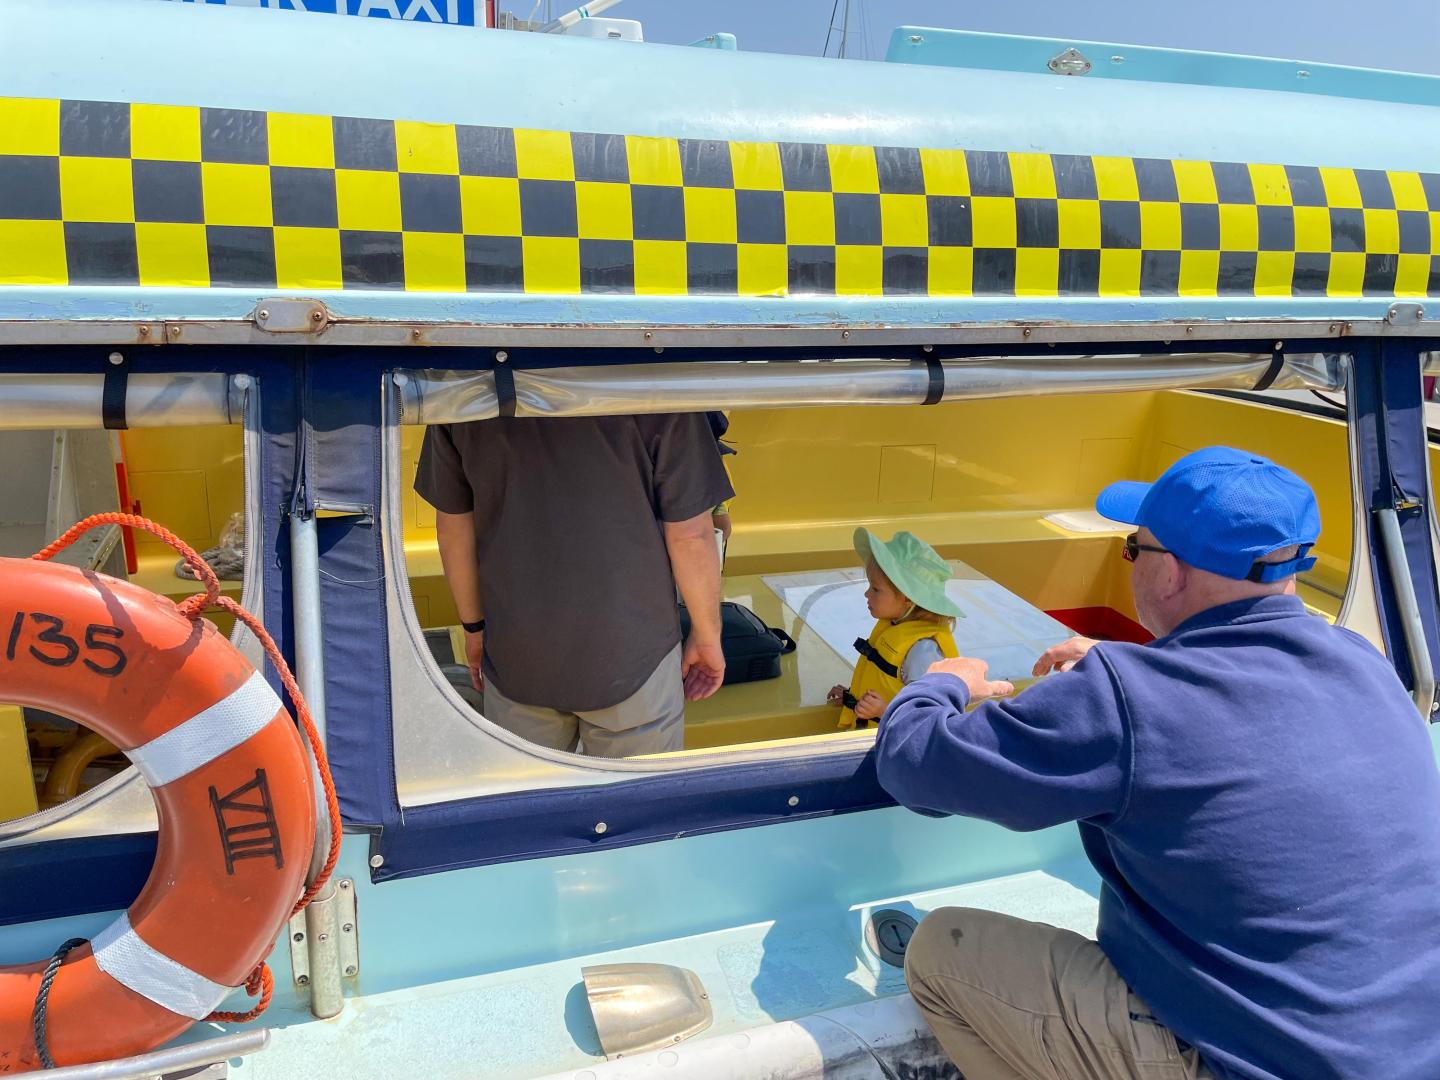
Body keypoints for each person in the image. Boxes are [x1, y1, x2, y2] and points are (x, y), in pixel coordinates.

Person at [876, 446, 1440, 1080]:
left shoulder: (1127, 696)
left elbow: (916, 766)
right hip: (1408, 1054)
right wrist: (1128, 666)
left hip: (1248, 1066)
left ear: (1169, 573)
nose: (1131, 562)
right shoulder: (1365, 662)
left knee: (942, 952)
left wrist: (938, 684)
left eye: (1131, 548)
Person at [416, 412, 734, 757]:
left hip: (517, 654)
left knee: (530, 799)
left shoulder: (460, 386)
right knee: (634, 804)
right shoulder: (657, 382)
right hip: (634, 657)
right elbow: (691, 535)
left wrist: (474, 629)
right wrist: (706, 635)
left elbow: (453, 530)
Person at [827, 528, 962, 729]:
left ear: (908, 598)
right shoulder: (895, 626)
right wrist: (850, 698)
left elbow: (927, 714)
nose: (867, 594)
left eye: (876, 589)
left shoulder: (922, 651)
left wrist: (883, 710)